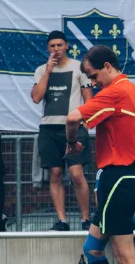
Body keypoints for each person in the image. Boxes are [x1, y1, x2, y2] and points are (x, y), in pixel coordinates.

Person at [65, 45, 135, 264]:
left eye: (92, 77)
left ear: (106, 66)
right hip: (121, 177)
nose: (92, 84)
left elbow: (73, 118)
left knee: (125, 254)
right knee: (92, 248)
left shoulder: (116, 91)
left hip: (119, 177)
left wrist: (73, 144)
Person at [31, 30, 93, 231]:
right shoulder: (41, 70)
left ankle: (85, 220)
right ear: (47, 48)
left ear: (67, 46)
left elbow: (88, 98)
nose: (56, 49)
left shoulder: (78, 68)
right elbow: (36, 97)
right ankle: (62, 220)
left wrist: (86, 121)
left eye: (59, 45)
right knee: (55, 174)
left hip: (73, 127)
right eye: (52, 46)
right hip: (49, 128)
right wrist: (48, 71)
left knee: (76, 174)